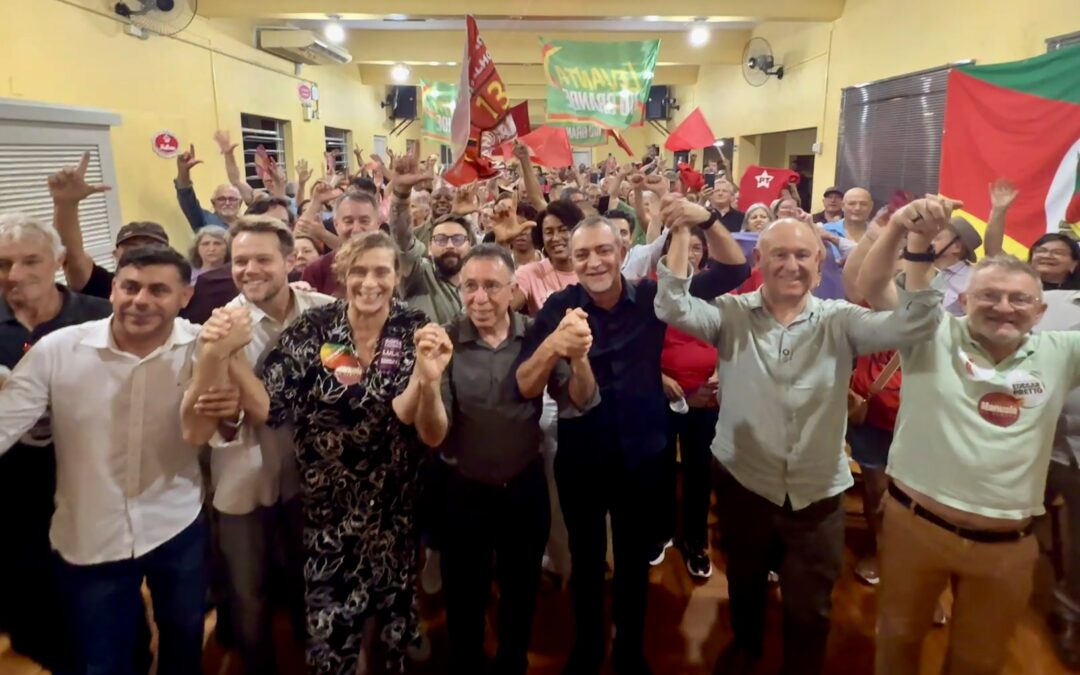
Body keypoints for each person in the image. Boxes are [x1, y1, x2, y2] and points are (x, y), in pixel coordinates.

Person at [655, 199, 951, 675]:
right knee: (745, 582)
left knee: (811, 604)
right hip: (744, 482)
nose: (790, 265)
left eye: (802, 255)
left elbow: (915, 325)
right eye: (779, 254)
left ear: (819, 265)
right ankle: (746, 650)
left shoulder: (840, 319)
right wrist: (685, 227)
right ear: (759, 260)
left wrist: (911, 241)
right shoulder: (731, 314)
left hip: (817, 491)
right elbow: (671, 305)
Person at [518, 207, 751, 674]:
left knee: (632, 561)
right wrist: (555, 345)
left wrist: (706, 219)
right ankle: (587, 648)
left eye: (604, 250)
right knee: (586, 561)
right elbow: (523, 380)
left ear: (623, 251)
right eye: (583, 254)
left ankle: (628, 649)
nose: (594, 262)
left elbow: (734, 271)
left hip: (643, 455)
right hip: (582, 456)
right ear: (572, 260)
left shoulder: (652, 297)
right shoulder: (560, 307)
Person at [229, 231, 451, 675]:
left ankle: (393, 652)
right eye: (359, 271)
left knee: (394, 604)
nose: (369, 282)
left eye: (381, 271)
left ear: (397, 276)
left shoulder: (413, 328)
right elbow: (268, 408)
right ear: (343, 275)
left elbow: (422, 425)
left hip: (394, 501)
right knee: (332, 620)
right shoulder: (314, 328)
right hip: (328, 505)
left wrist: (427, 382)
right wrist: (229, 356)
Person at [0, 246, 219, 675]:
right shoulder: (58, 350)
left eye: (158, 290)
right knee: (102, 660)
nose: (141, 300)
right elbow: (7, 421)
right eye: (130, 287)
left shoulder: (202, 347)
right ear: (113, 289)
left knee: (184, 638)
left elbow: (225, 428)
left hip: (175, 522)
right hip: (90, 533)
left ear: (185, 296)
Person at [180, 217, 334, 675]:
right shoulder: (217, 330)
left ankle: (315, 656)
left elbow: (339, 390)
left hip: (310, 477)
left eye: (262, 259)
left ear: (289, 261)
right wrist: (230, 398)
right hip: (244, 479)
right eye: (240, 261)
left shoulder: (326, 312)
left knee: (311, 577)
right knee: (248, 593)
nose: (250, 270)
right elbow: (214, 421)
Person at [438, 244, 593, 675]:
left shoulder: (536, 335)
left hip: (523, 486)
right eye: (470, 286)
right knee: (463, 592)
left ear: (512, 289)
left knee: (521, 586)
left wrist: (579, 357)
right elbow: (437, 429)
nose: (480, 298)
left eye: (491, 286)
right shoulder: (445, 340)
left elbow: (579, 399)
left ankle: (512, 661)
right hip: (463, 487)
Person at [0, 212, 113, 675]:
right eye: (3, 263)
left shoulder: (100, 316)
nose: (15, 274)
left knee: (108, 613)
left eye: (31, 260)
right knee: (35, 618)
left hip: (94, 492)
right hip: (13, 502)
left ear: (59, 261)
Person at [653, 225, 720, 579]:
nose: (689, 254)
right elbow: (638, 345)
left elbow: (730, 337)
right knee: (660, 466)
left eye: (696, 247)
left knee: (699, 470)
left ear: (705, 253)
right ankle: (662, 530)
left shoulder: (716, 290)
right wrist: (660, 379)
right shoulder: (652, 289)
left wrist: (720, 374)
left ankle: (695, 539)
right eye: (681, 246)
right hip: (662, 392)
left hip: (705, 397)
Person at [301, 192, 382, 296]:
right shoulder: (317, 270)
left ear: (378, 223)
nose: (356, 229)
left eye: (364, 221)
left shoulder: (391, 265)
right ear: (336, 224)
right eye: (348, 221)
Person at [513, 199, 584, 315]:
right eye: (549, 232)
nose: (555, 238)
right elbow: (504, 307)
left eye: (563, 230)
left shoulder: (591, 270)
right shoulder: (529, 273)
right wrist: (501, 244)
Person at [175, 143, 242, 231]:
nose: (227, 203)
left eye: (232, 199)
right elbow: (186, 196)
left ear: (240, 203)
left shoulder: (248, 225)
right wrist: (183, 171)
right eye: (221, 199)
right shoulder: (203, 219)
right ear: (213, 203)